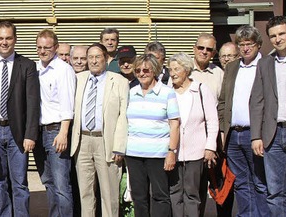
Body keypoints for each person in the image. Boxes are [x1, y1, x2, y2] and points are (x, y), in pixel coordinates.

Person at [0, 21, 40, 217]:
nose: (4, 42)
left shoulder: (27, 65)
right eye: (0, 38)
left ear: (15, 39)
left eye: (8, 38)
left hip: (18, 133)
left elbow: (32, 102)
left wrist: (30, 134)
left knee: (20, 182)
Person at [250, 15, 286, 216]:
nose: (277, 39)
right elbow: (257, 101)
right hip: (273, 135)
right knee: (275, 193)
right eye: (273, 36)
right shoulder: (265, 64)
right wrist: (256, 135)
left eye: (281, 34)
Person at [71, 43, 128, 217]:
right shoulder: (78, 79)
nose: (94, 61)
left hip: (106, 141)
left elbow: (123, 115)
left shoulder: (119, 81)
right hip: (82, 142)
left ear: (105, 58)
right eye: (91, 57)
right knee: (85, 192)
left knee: (108, 193)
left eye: (98, 57)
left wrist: (119, 145)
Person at [218, 24, 269, 217]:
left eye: (249, 44)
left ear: (257, 45)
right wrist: (224, 130)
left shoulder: (266, 65)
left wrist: (262, 134)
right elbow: (223, 101)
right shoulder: (232, 67)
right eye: (241, 44)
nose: (245, 48)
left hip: (255, 135)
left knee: (259, 182)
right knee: (240, 183)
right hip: (233, 135)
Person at [125, 54, 180, 217]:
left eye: (146, 70)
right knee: (139, 196)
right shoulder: (131, 92)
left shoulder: (167, 93)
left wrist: (172, 151)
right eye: (138, 70)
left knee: (160, 196)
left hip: (157, 153)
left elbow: (174, 124)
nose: (141, 73)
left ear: (154, 70)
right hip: (134, 153)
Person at [167, 53, 218, 217]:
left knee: (192, 193)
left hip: (196, 152)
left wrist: (210, 147)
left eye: (176, 69)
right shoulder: (167, 92)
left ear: (187, 69)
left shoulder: (201, 90)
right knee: (174, 192)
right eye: (170, 69)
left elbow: (212, 120)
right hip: (173, 152)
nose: (172, 73)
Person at [32, 29, 76, 217]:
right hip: (39, 132)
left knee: (61, 185)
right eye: (39, 47)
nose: (43, 51)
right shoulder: (35, 69)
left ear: (56, 48)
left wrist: (63, 132)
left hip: (56, 131)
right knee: (48, 181)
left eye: (47, 48)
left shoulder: (63, 70)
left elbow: (68, 104)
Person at [191, 33, 224, 98]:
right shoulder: (182, 69)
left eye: (209, 49)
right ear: (194, 49)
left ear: (213, 53)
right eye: (201, 48)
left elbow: (223, 101)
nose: (204, 52)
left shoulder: (219, 74)